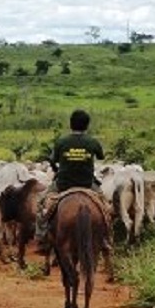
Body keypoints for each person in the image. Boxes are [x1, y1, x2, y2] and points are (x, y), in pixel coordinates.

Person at [34, 109, 105, 254]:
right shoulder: (93, 142)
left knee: (41, 203)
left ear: (71, 124)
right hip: (87, 184)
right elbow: (101, 157)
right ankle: (106, 238)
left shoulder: (62, 142)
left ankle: (41, 237)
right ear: (87, 125)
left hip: (63, 184)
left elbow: (53, 160)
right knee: (105, 207)